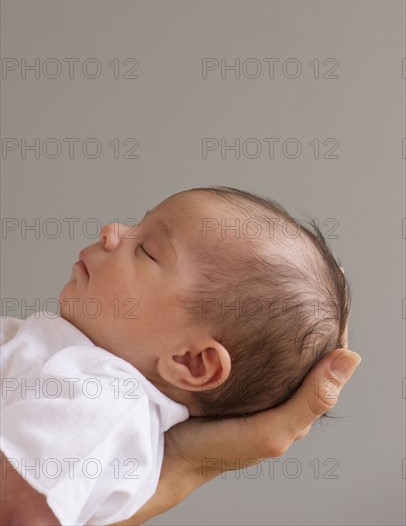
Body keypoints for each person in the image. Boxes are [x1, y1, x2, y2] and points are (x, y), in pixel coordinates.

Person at [0, 186, 361, 525]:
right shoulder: (81, 372)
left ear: (191, 362)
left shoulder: (105, 402)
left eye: (147, 250)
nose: (112, 231)